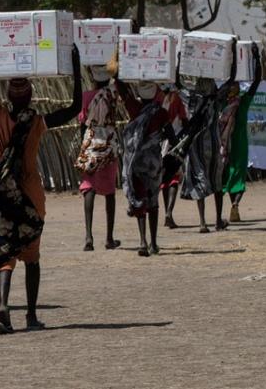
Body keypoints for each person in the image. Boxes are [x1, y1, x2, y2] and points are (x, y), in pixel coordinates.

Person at [0, 45, 83, 335]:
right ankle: (31, 315)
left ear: (8, 96)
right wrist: (76, 67)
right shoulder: (36, 121)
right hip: (30, 195)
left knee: (5, 253)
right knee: (31, 254)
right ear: (31, 96)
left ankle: (4, 306)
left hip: (1, 196)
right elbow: (74, 109)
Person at [176, 49, 239, 232]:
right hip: (212, 143)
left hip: (195, 145)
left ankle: (203, 222)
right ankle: (218, 220)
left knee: (198, 180)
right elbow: (230, 80)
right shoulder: (215, 98)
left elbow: (178, 83)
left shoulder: (190, 98)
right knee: (216, 180)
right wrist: (231, 58)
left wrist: (180, 59)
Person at [119, 78, 175, 256]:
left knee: (139, 198)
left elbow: (122, 89)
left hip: (136, 162)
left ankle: (142, 241)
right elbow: (171, 138)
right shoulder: (161, 113)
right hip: (153, 163)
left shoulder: (134, 108)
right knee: (153, 200)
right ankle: (154, 243)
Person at [76, 66, 122, 251]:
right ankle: (109, 238)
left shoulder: (86, 96)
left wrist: (84, 145)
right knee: (109, 190)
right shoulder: (112, 94)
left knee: (89, 187)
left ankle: (88, 236)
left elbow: (82, 122)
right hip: (109, 143)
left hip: (91, 141)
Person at [220, 44, 263, 220]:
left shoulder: (221, 103)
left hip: (222, 144)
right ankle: (235, 204)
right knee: (238, 174)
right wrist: (257, 58)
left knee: (227, 174)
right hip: (239, 143)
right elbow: (257, 81)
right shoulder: (243, 102)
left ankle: (230, 205)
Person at [158, 84, 188, 228]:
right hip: (174, 140)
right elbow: (184, 119)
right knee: (174, 177)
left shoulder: (157, 99)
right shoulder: (177, 100)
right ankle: (169, 212)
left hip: (159, 143)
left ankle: (167, 213)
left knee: (164, 178)